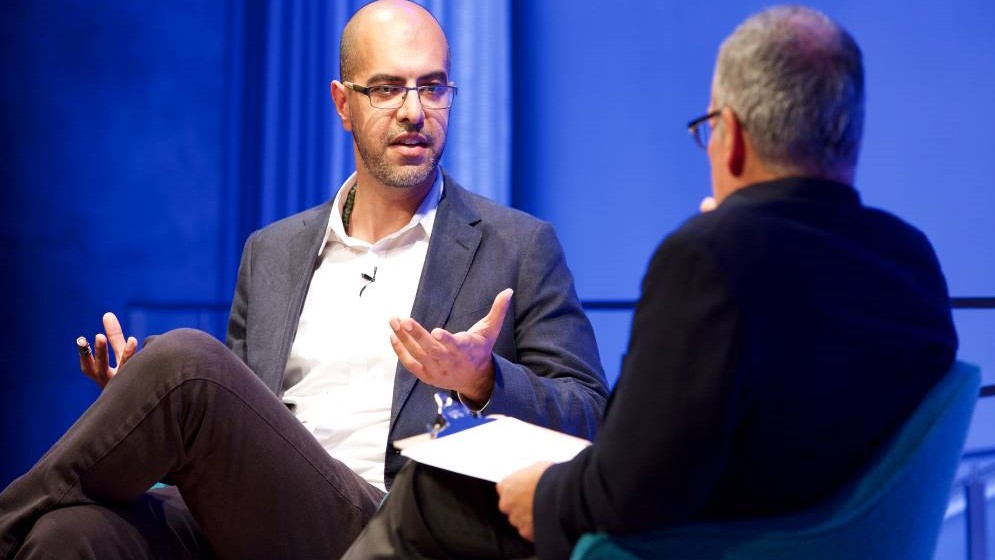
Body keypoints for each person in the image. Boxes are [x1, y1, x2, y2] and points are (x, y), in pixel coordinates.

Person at [342, 5, 959, 559]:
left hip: (697, 544)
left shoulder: (709, 260)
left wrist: (544, 493)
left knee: (428, 492)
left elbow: (629, 482)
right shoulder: (913, 262)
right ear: (847, 132)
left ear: (734, 139)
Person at [0, 1, 608, 558]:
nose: (415, 111)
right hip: (250, 518)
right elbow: (233, 422)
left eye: (432, 87)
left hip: (390, 524)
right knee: (68, 536)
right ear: (343, 104)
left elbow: (590, 417)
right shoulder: (274, 252)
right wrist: (138, 405)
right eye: (389, 89)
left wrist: (483, 378)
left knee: (184, 363)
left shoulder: (518, 246)